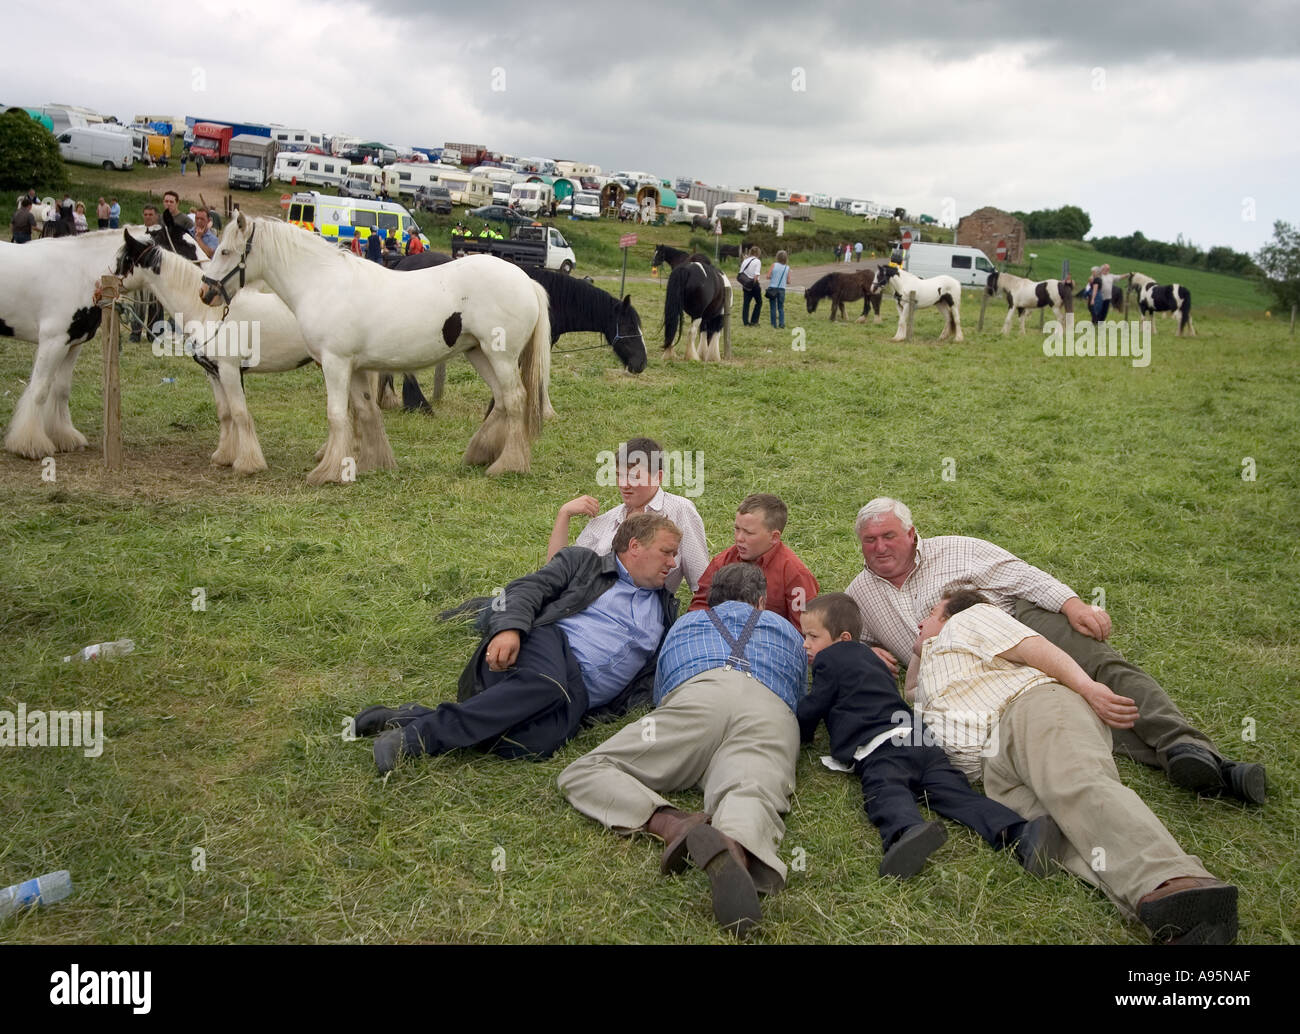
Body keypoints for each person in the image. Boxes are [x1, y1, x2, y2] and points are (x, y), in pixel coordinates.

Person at [844, 497, 1267, 803]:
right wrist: (869, 653)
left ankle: (1186, 746)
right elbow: (846, 639)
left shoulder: (957, 548)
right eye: (869, 540)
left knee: (1100, 667)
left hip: (1018, 625)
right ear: (859, 544)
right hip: (974, 674)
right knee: (1069, 712)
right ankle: (1201, 769)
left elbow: (1021, 576)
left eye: (889, 536)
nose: (880, 547)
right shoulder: (860, 594)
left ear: (912, 533)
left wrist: (1072, 604)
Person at [907, 588, 1239, 943]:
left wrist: (1088, 687)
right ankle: (1180, 921)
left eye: (930, 612)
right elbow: (911, 691)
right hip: (992, 770)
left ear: (951, 614)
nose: (920, 621)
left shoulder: (970, 619)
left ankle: (1173, 879)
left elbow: (1033, 647)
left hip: (1029, 710)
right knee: (1056, 835)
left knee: (1076, 783)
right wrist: (921, 646)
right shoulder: (931, 666)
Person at [558, 563, 806, 938]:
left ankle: (673, 823)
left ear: (711, 599)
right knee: (751, 787)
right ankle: (736, 845)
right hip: (771, 709)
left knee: (587, 770)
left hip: (697, 698)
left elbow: (661, 693)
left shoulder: (685, 626)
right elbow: (800, 694)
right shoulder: (787, 630)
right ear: (760, 603)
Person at [353, 512, 682, 773]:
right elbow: (526, 589)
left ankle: (411, 717)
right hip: (547, 646)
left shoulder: (666, 613)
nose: (673, 563)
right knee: (548, 683)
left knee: (536, 745)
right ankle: (416, 739)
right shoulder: (584, 564)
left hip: (578, 698)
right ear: (635, 546)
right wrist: (508, 629)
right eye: (666, 552)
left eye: (675, 555)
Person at [797, 593, 1061, 878]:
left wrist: (802, 731)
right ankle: (1019, 832)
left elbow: (816, 704)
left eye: (812, 636)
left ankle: (906, 831)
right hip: (919, 739)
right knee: (955, 794)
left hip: (881, 745)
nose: (805, 645)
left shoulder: (829, 659)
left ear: (843, 638)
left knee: (886, 789)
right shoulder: (874, 662)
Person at [546, 436, 708, 595]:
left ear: (657, 477)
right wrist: (564, 514)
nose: (624, 484)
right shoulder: (607, 520)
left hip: (641, 612)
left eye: (634, 477)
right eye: (619, 475)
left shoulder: (679, 510)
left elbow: (702, 583)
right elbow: (557, 575)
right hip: (588, 608)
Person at [689, 493, 818, 632]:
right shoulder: (722, 562)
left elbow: (805, 630)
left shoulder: (795, 575)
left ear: (774, 537)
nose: (739, 538)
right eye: (737, 529)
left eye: (748, 533)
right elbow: (698, 609)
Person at [739, 245, 762, 326]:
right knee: (759, 302)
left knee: (746, 303)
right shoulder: (757, 261)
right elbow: (756, 275)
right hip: (754, 284)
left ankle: (745, 322)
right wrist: (755, 285)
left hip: (745, 284)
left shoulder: (745, 261)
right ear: (758, 253)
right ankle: (754, 321)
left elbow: (741, 273)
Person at [767, 249, 790, 329]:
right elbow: (788, 281)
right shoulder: (787, 268)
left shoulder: (774, 265)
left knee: (773, 307)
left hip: (773, 288)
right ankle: (781, 323)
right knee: (781, 307)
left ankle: (773, 324)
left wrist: (774, 277)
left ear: (777, 257)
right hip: (782, 289)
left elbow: (768, 276)